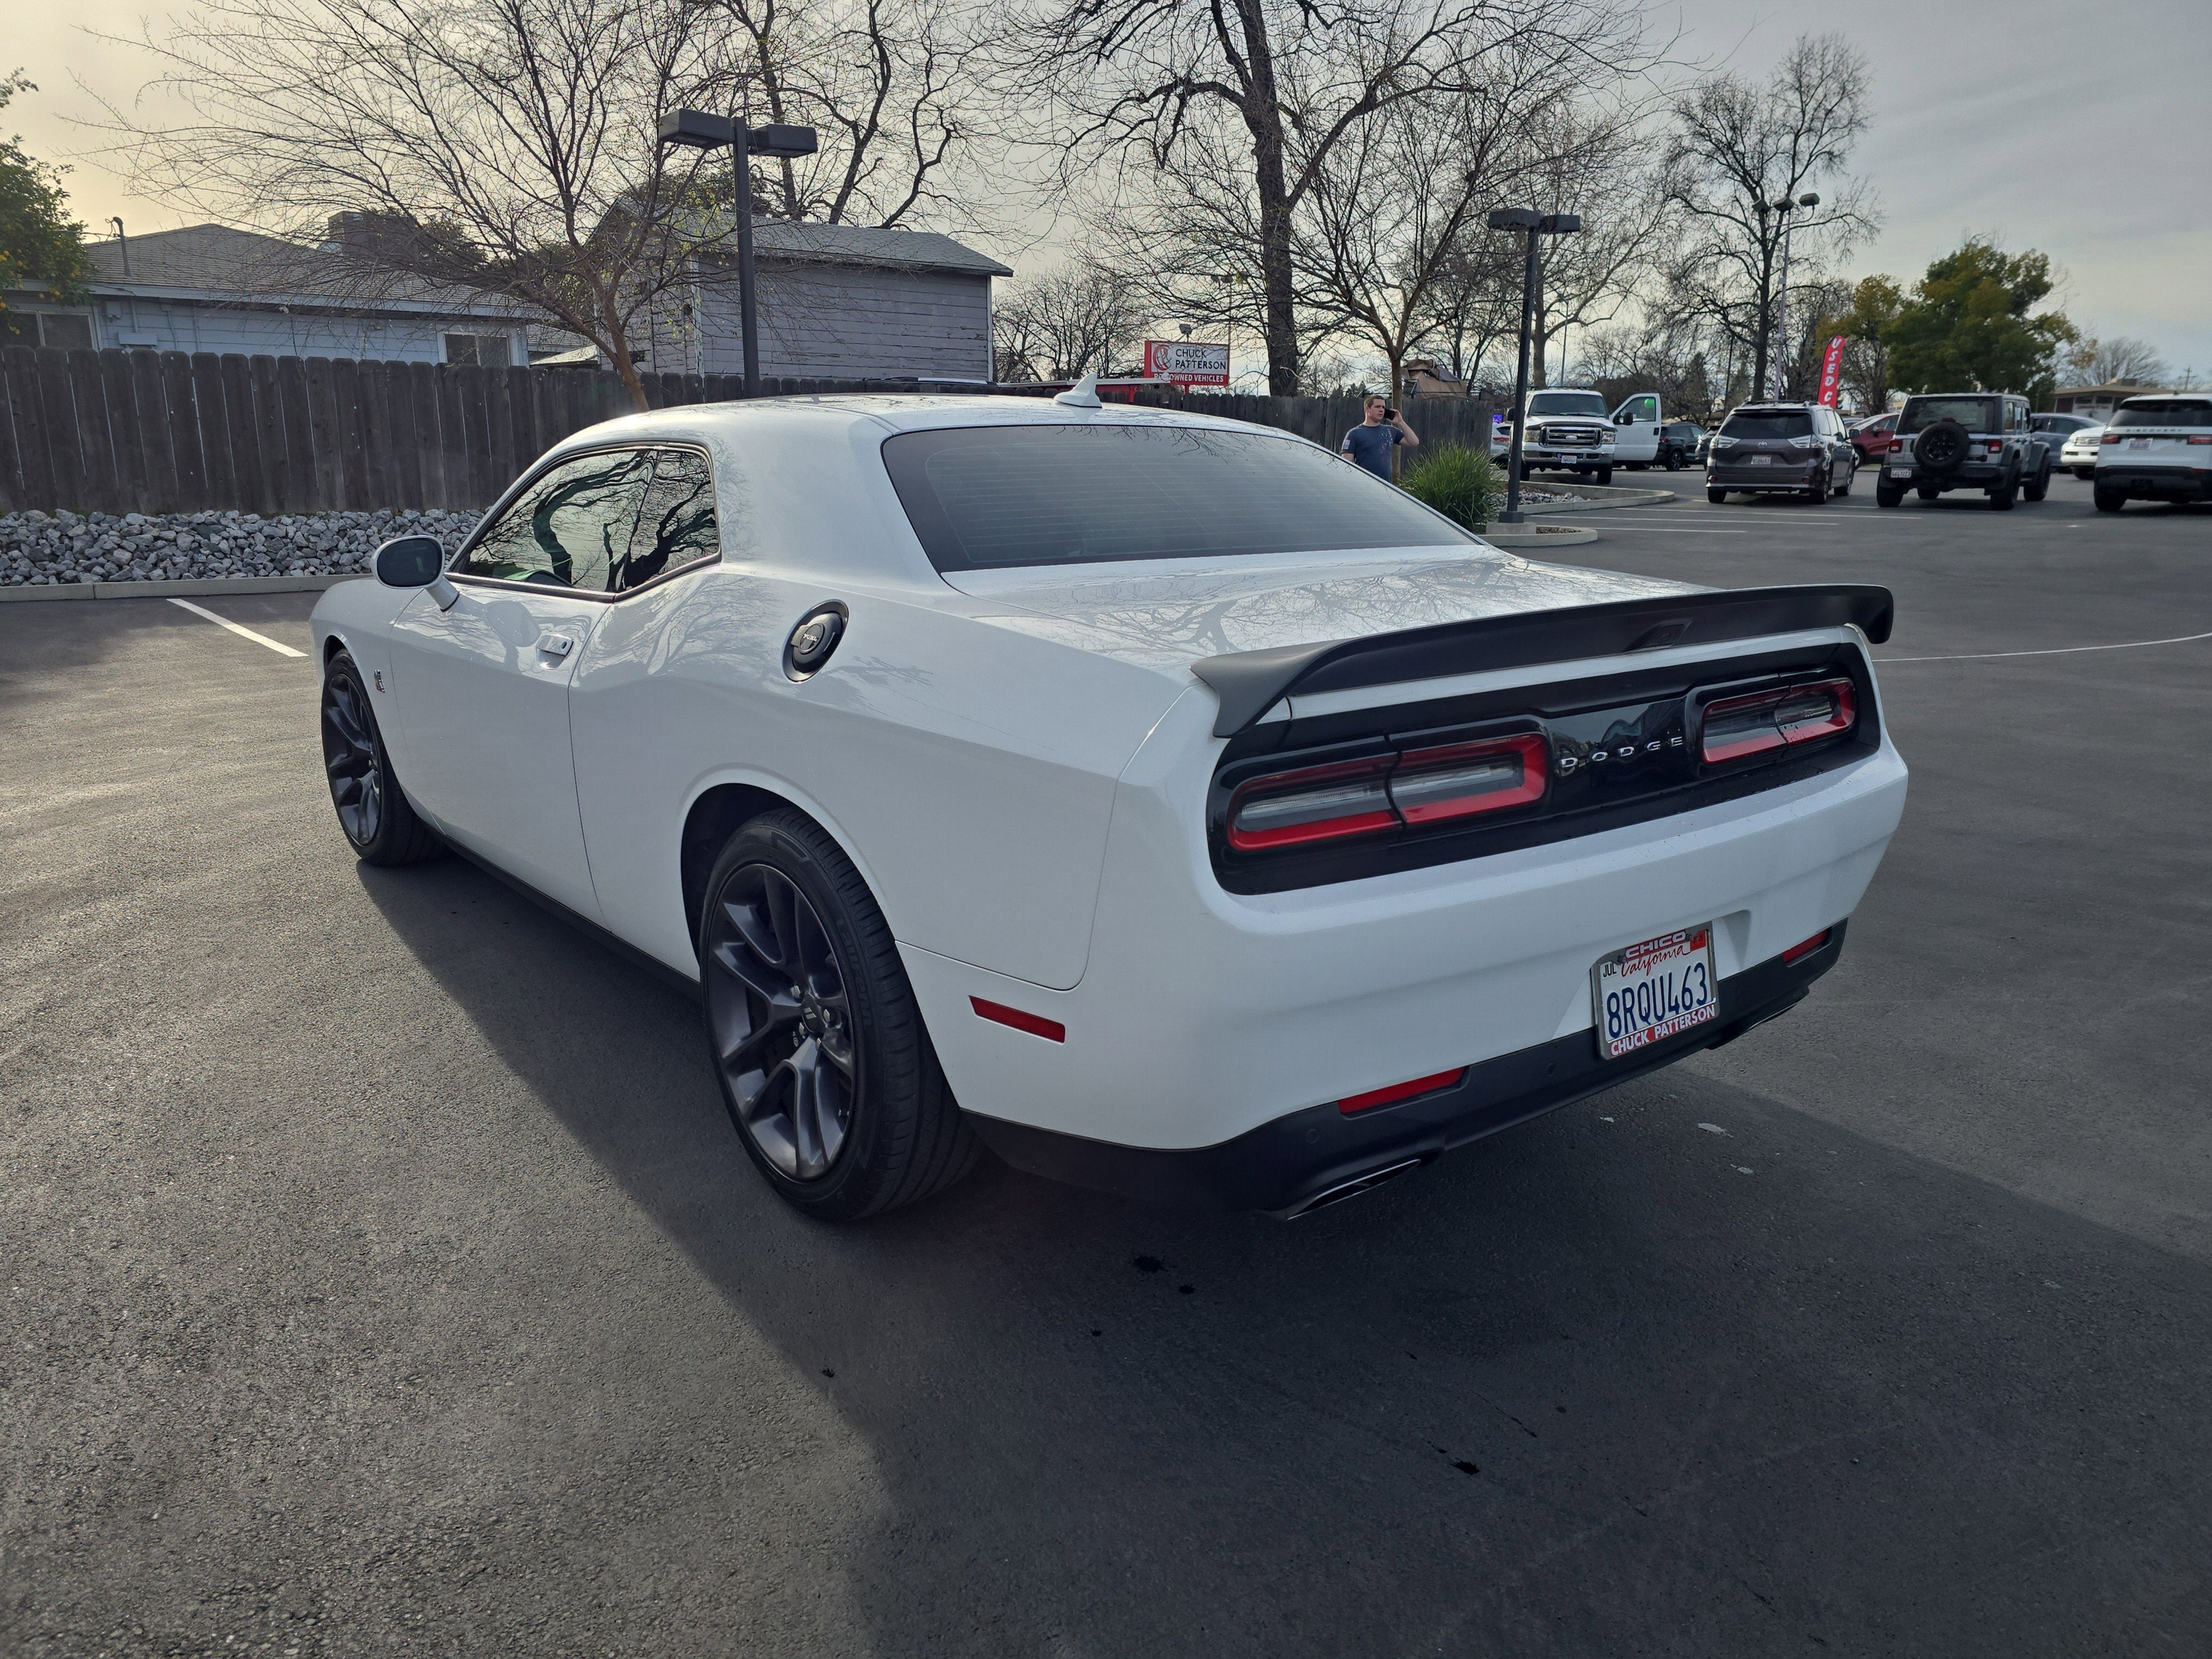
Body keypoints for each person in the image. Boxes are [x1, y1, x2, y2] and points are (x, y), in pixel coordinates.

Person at [1340, 394, 1419, 482]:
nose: (1381, 410)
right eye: (1378, 407)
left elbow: (1414, 442)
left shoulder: (1390, 431)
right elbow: (1346, 464)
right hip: (1363, 483)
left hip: (1385, 484)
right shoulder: (1354, 434)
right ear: (1367, 409)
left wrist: (1400, 422)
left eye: (1383, 407)